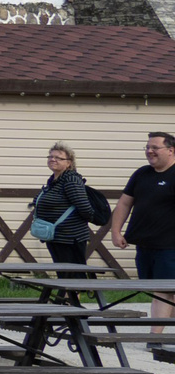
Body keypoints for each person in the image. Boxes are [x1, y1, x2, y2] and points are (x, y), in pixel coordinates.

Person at [108, 131, 175, 320]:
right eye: (147, 147)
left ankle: (155, 338)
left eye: (155, 147)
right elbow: (124, 203)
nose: (149, 151)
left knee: (162, 291)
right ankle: (169, 338)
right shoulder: (142, 173)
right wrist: (115, 231)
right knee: (162, 292)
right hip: (144, 245)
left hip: (169, 247)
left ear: (171, 150)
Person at [31, 144, 100, 272]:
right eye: (50, 156)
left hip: (70, 238)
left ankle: (74, 293)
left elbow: (84, 208)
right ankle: (69, 293)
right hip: (55, 236)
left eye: (58, 158)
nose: (53, 159)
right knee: (63, 274)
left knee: (72, 275)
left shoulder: (71, 180)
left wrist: (71, 225)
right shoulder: (54, 181)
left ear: (69, 163)